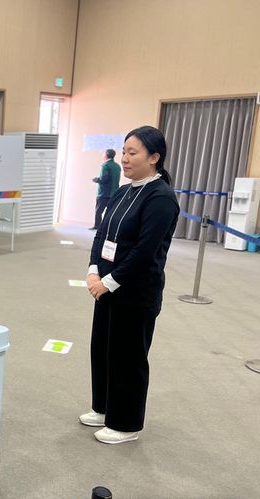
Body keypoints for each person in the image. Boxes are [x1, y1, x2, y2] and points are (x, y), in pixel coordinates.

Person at [81, 126, 179, 444]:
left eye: (132, 153)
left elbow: (145, 250)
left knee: (129, 356)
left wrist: (109, 281)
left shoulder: (160, 197)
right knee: (103, 349)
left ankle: (126, 424)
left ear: (154, 158)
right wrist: (94, 270)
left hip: (135, 292)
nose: (124, 158)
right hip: (106, 287)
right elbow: (102, 235)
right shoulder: (124, 191)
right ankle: (105, 407)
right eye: (124, 152)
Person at [90, 149, 121, 230]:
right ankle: (107, 228)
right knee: (110, 212)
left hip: (104, 193)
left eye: (103, 154)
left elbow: (104, 179)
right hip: (114, 193)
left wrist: (96, 179)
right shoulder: (117, 166)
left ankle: (97, 226)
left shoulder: (105, 166)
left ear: (106, 155)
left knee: (98, 211)